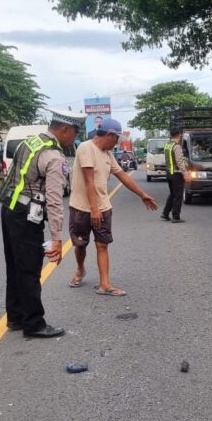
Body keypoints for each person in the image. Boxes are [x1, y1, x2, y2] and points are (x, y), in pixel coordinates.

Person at [0, 114, 81, 338]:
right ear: (65, 130)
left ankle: (15, 317)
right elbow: (54, 200)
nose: (76, 137)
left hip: (9, 210)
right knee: (30, 269)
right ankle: (34, 324)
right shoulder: (54, 156)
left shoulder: (31, 142)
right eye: (76, 132)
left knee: (14, 266)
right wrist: (56, 238)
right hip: (26, 217)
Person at [68, 118, 158, 296]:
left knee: (102, 245)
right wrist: (93, 209)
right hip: (81, 209)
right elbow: (89, 181)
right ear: (109, 135)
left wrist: (142, 195)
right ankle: (80, 269)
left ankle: (105, 284)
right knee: (80, 244)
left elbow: (123, 176)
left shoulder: (108, 154)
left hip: (103, 207)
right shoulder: (86, 148)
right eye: (116, 139)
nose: (117, 143)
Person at [161, 126, 190, 223]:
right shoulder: (176, 146)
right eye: (180, 134)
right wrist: (185, 173)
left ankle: (165, 213)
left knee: (172, 194)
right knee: (178, 196)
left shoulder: (167, 145)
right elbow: (179, 161)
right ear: (178, 135)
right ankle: (175, 217)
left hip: (169, 173)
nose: (181, 136)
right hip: (177, 174)